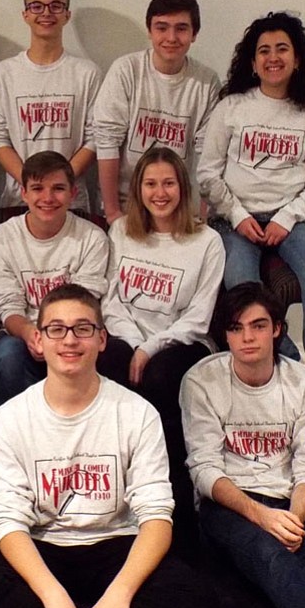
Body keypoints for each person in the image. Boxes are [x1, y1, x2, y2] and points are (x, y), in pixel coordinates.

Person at [0, 283, 218, 608]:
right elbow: (8, 519)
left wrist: (119, 597)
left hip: (117, 543)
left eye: (83, 328)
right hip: (43, 545)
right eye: (56, 329)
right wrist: (54, 599)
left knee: (195, 597)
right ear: (39, 340)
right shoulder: (10, 417)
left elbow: (156, 516)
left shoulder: (137, 412)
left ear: (102, 339)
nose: (70, 340)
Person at [197, 11, 305, 412]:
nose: (272, 57)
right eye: (263, 50)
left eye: (281, 49)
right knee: (242, 284)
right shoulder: (232, 108)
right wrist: (238, 214)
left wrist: (286, 217)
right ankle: (293, 363)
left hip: (291, 216)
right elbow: (207, 174)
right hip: (232, 218)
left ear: (297, 59)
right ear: (252, 60)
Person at [180, 282, 305, 608]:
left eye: (258, 326)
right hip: (228, 504)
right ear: (226, 335)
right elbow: (205, 469)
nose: (247, 338)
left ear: (277, 330)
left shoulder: (303, 382)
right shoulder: (201, 381)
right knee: (271, 559)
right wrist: (262, 517)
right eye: (236, 328)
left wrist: (293, 519)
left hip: (289, 502)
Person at [99, 146, 225, 553]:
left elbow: (199, 316)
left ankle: (172, 504)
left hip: (183, 343)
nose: (160, 192)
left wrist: (151, 348)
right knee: (105, 365)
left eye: (168, 183)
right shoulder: (121, 232)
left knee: (159, 378)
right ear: (138, 189)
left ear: (182, 188)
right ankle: (115, 496)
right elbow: (110, 301)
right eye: (150, 183)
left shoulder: (207, 241)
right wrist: (135, 345)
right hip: (127, 337)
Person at [0, 151, 108, 404]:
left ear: (73, 193)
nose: (48, 198)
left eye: (58, 188)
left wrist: (56, 337)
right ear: (24, 193)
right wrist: (31, 333)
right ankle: (15, 437)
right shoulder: (1, 238)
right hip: (22, 331)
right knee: (9, 357)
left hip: (74, 330)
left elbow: (83, 305)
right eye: (38, 188)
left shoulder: (92, 238)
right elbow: (7, 305)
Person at [95, 0, 220, 224]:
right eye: (162, 28)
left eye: (181, 28)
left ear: (194, 33)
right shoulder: (126, 70)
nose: (171, 38)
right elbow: (106, 141)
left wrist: (203, 216)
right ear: (149, 30)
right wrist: (112, 212)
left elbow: (208, 156)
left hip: (179, 209)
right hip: (128, 205)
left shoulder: (207, 82)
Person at [0, 0, 101, 210]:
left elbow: (94, 137)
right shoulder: (4, 73)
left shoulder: (87, 73)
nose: (47, 13)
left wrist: (59, 184)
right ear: (25, 14)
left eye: (56, 6)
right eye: (37, 6)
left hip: (71, 202)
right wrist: (32, 185)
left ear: (67, 14)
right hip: (18, 199)